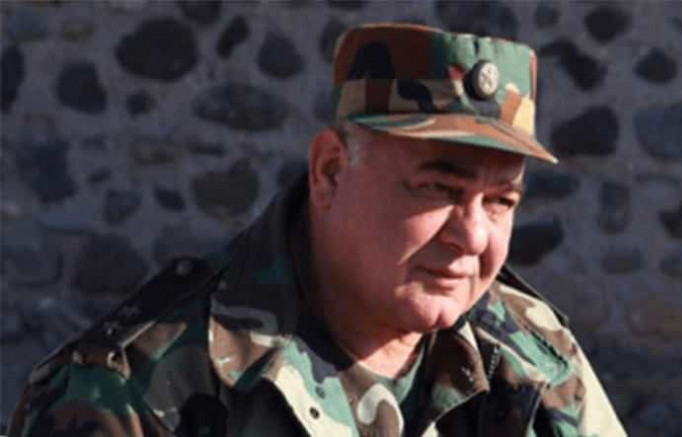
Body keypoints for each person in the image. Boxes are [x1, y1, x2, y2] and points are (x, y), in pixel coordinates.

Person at [10, 23, 625, 437]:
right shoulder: (131, 389)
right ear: (330, 171)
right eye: (437, 189)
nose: (472, 237)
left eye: (500, 202)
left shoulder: (530, 358)